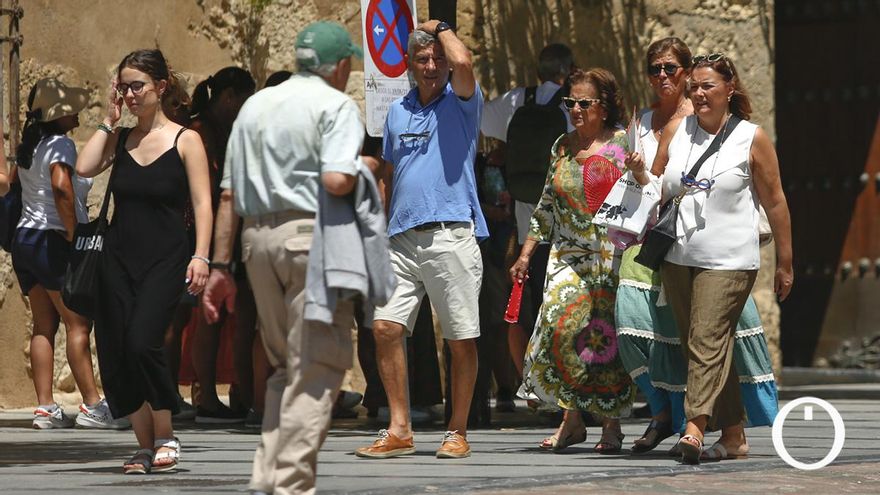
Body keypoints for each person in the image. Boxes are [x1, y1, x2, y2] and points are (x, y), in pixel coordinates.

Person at [202, 21, 366, 494]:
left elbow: (229, 195)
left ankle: (268, 480)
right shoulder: (336, 106)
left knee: (283, 369)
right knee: (318, 366)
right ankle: (292, 486)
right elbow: (337, 181)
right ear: (340, 66)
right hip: (308, 238)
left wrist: (220, 267)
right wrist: (366, 169)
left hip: (257, 242)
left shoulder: (256, 106)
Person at [626, 53, 793, 464]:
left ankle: (695, 427)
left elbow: (775, 201)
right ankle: (733, 436)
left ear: (729, 89)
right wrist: (640, 173)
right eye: (694, 87)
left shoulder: (751, 137)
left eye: (708, 86)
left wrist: (786, 262)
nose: (699, 93)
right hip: (678, 256)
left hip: (730, 260)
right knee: (702, 346)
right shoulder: (677, 130)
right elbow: (658, 188)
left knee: (706, 340)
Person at [76, 49, 213, 474]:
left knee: (142, 342)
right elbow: (84, 167)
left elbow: (203, 203)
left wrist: (201, 255)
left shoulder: (185, 139)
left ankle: (166, 433)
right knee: (116, 350)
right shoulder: (121, 140)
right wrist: (108, 119)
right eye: (124, 87)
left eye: (137, 86)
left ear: (161, 86)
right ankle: (143, 445)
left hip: (166, 258)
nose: (130, 94)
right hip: (117, 259)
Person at [355, 20, 486, 460]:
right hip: (401, 238)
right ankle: (399, 428)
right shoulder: (397, 111)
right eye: (422, 59)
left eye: (437, 59)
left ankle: (457, 430)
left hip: (451, 232)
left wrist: (438, 27)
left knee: (460, 339)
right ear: (410, 64)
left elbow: (464, 62)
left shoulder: (463, 101)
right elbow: (390, 175)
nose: (431, 66)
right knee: (385, 327)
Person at [509, 68, 635, 454]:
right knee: (559, 329)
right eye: (570, 103)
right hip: (566, 255)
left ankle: (611, 425)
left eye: (584, 103)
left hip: (608, 257)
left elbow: (638, 198)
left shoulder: (621, 145)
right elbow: (546, 203)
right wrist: (526, 253)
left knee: (604, 340)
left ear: (604, 106)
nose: (575, 110)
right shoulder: (562, 146)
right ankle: (572, 419)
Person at [13, 78, 126, 430]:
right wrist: (74, 234)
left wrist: (111, 128)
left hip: (25, 240)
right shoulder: (61, 144)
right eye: (70, 109)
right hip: (52, 241)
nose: (76, 112)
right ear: (56, 114)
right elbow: (62, 187)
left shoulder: (30, 145)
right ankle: (93, 405)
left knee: (43, 325)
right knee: (79, 323)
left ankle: (46, 408)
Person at [481, 43, 574, 377]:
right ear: (568, 71)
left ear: (538, 71)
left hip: (526, 227)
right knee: (563, 308)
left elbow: (480, 119)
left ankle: (531, 382)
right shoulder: (573, 106)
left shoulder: (517, 100)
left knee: (525, 311)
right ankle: (562, 378)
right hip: (566, 230)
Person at [187, 66, 256, 424]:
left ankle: (242, 392)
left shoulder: (224, 130)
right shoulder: (202, 132)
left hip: (228, 232)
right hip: (209, 234)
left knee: (236, 317)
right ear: (229, 98)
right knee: (208, 318)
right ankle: (207, 397)